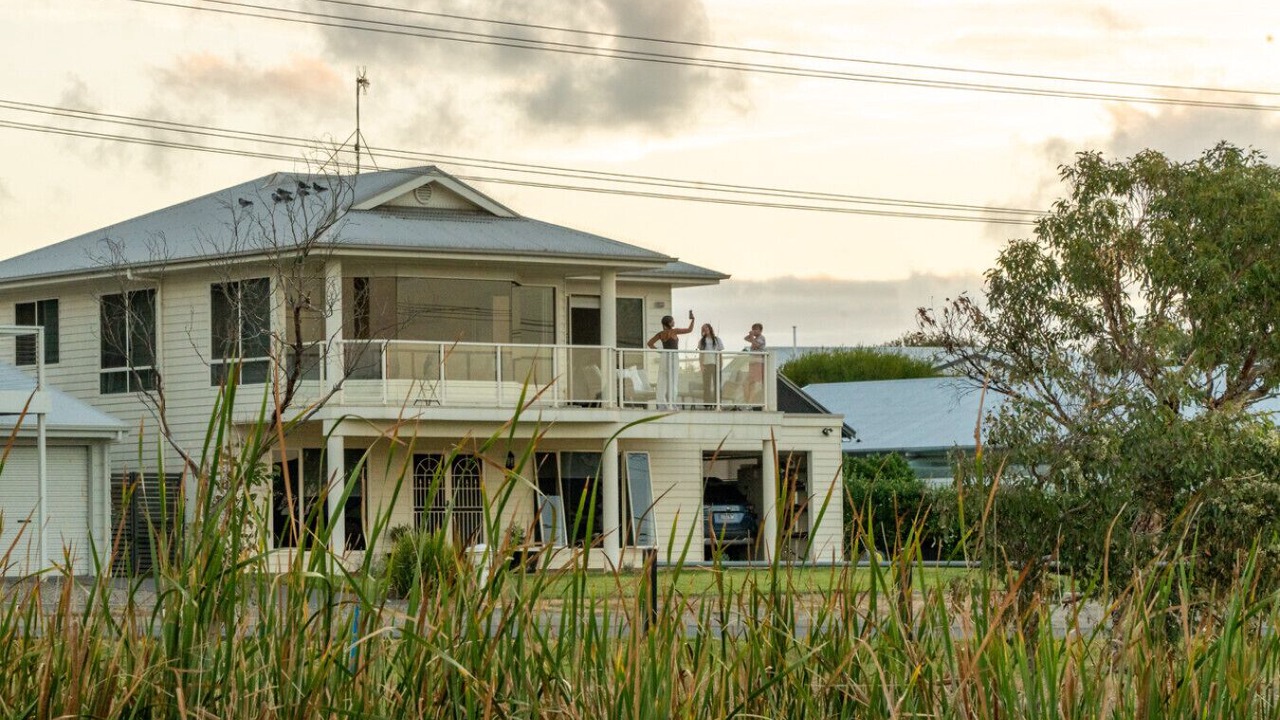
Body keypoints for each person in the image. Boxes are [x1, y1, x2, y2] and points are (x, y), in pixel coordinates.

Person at [647, 311, 694, 407]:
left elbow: (650, 343)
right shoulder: (674, 331)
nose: (674, 322)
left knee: (662, 379)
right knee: (673, 379)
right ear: (669, 323)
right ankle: (672, 403)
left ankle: (661, 403)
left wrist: (660, 351)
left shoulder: (661, 333)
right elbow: (689, 330)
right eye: (673, 321)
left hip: (665, 356)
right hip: (673, 356)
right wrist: (693, 319)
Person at [697, 323, 724, 406]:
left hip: (715, 364)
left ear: (710, 328)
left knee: (717, 384)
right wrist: (701, 365)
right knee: (707, 385)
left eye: (706, 328)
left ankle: (717, 403)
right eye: (703, 329)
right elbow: (701, 354)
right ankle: (707, 403)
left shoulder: (717, 340)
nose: (705, 330)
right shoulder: (702, 341)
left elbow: (720, 353)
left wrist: (721, 363)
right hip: (706, 364)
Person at [744, 323, 766, 405]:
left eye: (756, 329)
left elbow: (756, 345)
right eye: (753, 329)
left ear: (760, 330)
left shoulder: (761, 338)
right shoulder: (755, 338)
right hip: (752, 362)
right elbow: (745, 338)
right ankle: (748, 401)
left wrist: (752, 338)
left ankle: (750, 402)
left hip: (758, 362)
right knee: (748, 383)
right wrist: (751, 335)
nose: (754, 331)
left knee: (754, 382)